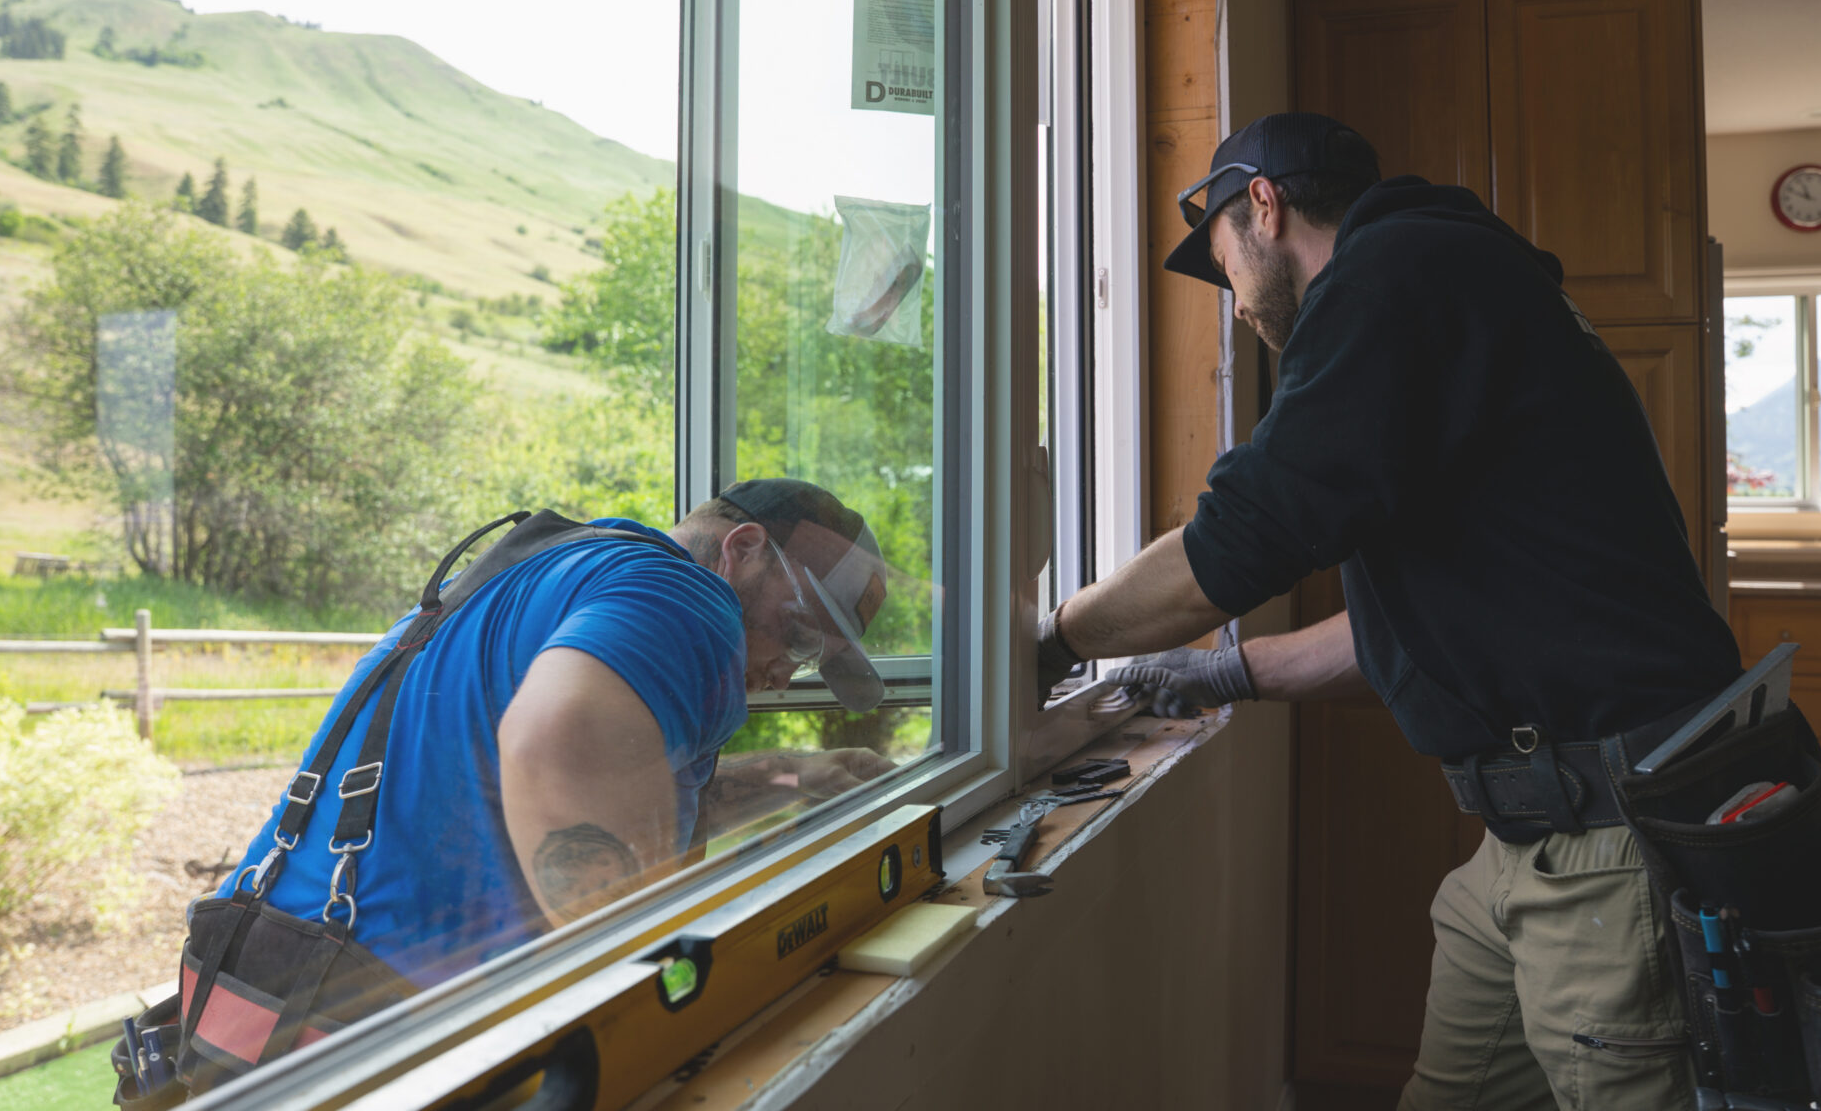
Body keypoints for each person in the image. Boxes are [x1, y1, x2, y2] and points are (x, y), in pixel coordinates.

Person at [1035, 113, 1742, 1108]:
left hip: (1606, 836)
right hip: (1535, 833)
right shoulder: (1452, 278)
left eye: (1223, 264)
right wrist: (1225, 671)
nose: (1235, 304)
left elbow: (1236, 542)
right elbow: (1426, 629)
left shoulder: (1392, 275)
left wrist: (1052, 640)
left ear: (1264, 207)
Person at [217, 477, 892, 985]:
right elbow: (555, 749)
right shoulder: (689, 599)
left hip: (274, 964)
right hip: (385, 1017)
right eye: (798, 636)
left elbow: (609, 799)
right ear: (741, 550)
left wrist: (794, 776)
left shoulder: (561, 569)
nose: (784, 675)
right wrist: (657, 989)